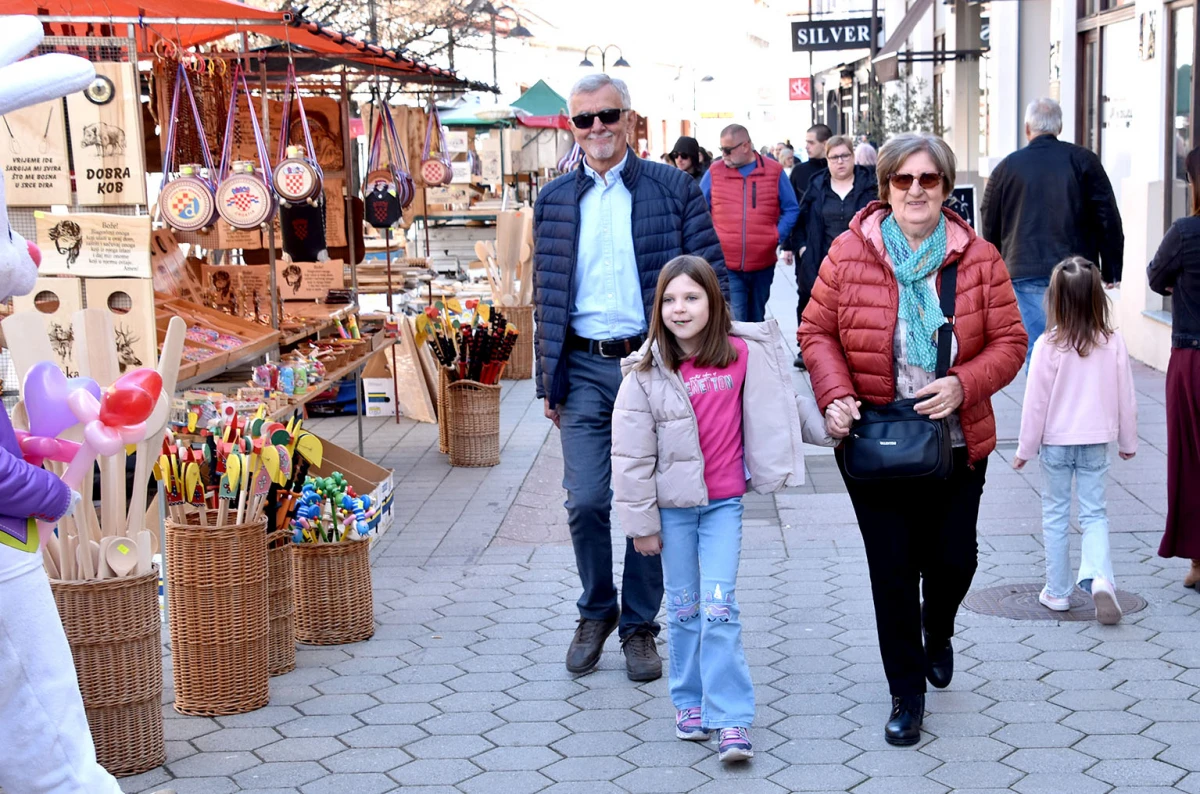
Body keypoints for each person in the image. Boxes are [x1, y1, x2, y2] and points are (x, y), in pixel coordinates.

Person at [800, 133, 1027, 746]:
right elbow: (816, 331)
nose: (917, 191)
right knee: (893, 570)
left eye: (929, 180)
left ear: (946, 187)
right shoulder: (850, 252)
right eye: (904, 180)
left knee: (954, 560)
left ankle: (940, 626)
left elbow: (1011, 343)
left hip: (956, 443)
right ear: (887, 188)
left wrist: (963, 383)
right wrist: (834, 392)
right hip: (875, 442)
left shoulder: (977, 258)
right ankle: (906, 693)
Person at [532, 73, 727, 683]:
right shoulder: (555, 199)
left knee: (658, 499)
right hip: (585, 365)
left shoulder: (675, 188)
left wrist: (707, 367)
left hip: (656, 365)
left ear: (629, 117)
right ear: (572, 126)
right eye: (583, 119)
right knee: (586, 499)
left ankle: (641, 625)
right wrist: (548, 379)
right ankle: (597, 611)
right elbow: (549, 292)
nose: (597, 128)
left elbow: (710, 275)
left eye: (607, 114)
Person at [611, 255, 830, 764]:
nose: (680, 309)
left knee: (719, 610)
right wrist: (642, 525)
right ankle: (690, 701)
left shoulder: (741, 354)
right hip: (673, 511)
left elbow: (785, 405)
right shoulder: (646, 371)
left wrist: (831, 429)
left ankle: (731, 719)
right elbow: (630, 456)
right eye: (669, 299)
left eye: (691, 297)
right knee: (684, 612)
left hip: (723, 507)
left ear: (714, 303)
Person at [1014, 256, 1138, 624]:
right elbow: (1125, 396)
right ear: (1097, 298)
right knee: (1094, 513)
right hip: (1096, 441)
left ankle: (1057, 591)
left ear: (1055, 299)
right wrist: (1127, 441)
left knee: (1055, 514)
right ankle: (1101, 577)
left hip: (1055, 442)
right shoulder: (1112, 342)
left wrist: (1025, 448)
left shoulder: (1047, 345)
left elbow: (1035, 403)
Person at [980, 98, 1124, 363]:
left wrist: (997, 264)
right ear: (1059, 127)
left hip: (1025, 271)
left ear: (1027, 128)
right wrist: (1112, 267)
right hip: (1077, 273)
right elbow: (1107, 215)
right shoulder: (1084, 161)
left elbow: (989, 217)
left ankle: (1044, 403)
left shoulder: (1006, 168)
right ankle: (1073, 400)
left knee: (1039, 348)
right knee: (1080, 345)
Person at [1149, 145, 1200, 589]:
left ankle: (1199, 561)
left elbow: (1153, 276)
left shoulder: (1186, 232)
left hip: (1193, 359)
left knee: (1190, 457)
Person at [787, 135, 878, 370]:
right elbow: (801, 218)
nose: (840, 162)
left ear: (853, 156)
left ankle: (852, 352)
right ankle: (808, 348)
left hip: (862, 259)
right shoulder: (818, 185)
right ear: (826, 160)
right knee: (813, 301)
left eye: (845, 156)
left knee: (856, 307)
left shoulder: (869, 185)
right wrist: (801, 248)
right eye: (834, 157)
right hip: (821, 257)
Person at [701, 124, 799, 322]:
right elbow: (699, 209)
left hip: (763, 263)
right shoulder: (714, 172)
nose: (724, 155)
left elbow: (791, 208)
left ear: (745, 146)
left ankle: (755, 353)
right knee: (737, 320)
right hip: (727, 264)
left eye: (728, 150)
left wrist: (776, 236)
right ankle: (739, 354)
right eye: (721, 150)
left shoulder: (774, 171)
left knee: (757, 318)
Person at [788, 124, 832, 327]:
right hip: (806, 245)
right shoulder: (800, 171)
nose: (806, 146)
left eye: (811, 142)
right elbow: (791, 209)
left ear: (825, 144)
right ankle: (803, 344)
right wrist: (795, 246)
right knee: (805, 295)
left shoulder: (837, 171)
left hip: (833, 246)